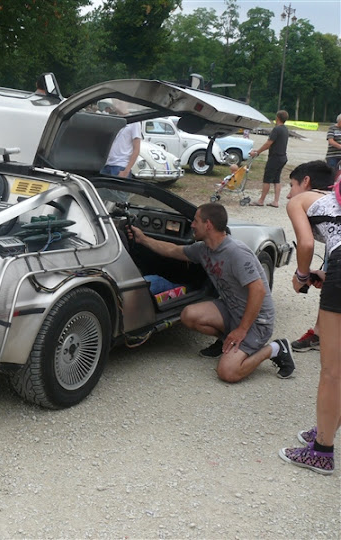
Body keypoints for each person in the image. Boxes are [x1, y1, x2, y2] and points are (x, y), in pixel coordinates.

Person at [130, 203, 295, 382]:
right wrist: (143, 239)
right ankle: (226, 342)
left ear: (208, 225)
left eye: (195, 221)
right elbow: (172, 250)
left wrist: (241, 330)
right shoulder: (203, 249)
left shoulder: (236, 252)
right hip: (232, 310)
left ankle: (276, 349)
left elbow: (259, 291)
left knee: (227, 373)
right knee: (188, 315)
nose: (192, 225)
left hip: (256, 322)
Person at [278, 160, 339, 475]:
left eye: (290, 185)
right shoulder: (334, 201)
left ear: (303, 182)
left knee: (332, 370)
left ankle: (322, 452)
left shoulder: (300, 201)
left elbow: (304, 243)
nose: (289, 192)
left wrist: (301, 275)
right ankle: (325, 430)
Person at [250, 110, 289, 208]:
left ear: (277, 118)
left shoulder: (276, 129)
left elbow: (268, 143)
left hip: (274, 157)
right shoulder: (285, 129)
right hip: (283, 157)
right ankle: (276, 201)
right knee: (277, 179)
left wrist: (257, 152)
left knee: (267, 179)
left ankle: (261, 200)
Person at [100, 101, 141, 178]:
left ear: (127, 104)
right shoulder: (114, 120)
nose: (117, 106)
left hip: (121, 165)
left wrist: (127, 170)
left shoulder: (134, 122)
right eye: (115, 103)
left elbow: (136, 148)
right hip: (107, 164)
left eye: (120, 103)